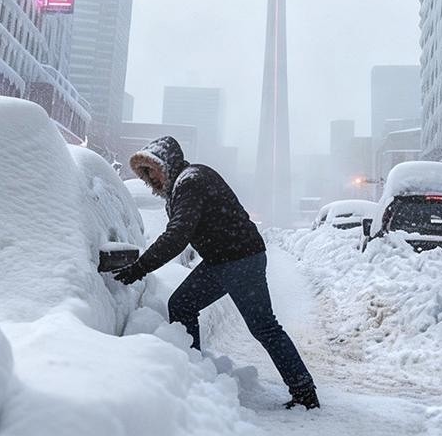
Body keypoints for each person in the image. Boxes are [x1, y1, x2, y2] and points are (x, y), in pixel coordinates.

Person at [114, 136, 319, 410]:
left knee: (264, 326)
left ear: (167, 164)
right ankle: (193, 373)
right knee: (182, 304)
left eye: (153, 170)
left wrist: (139, 268)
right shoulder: (181, 185)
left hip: (241, 258)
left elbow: (177, 235)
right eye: (146, 174)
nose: (150, 179)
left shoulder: (191, 181)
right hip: (222, 259)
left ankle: (304, 392)